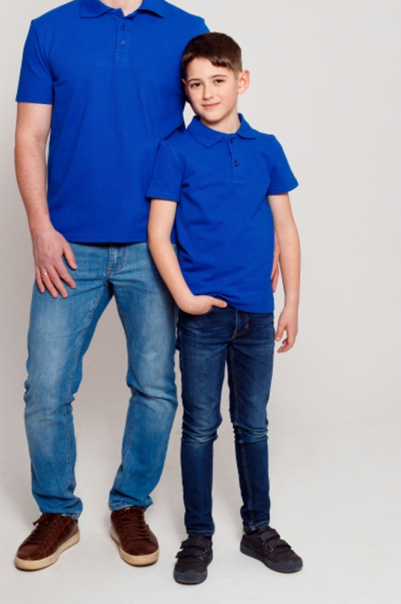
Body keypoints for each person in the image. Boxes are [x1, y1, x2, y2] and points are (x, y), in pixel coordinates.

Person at [13, 0, 209, 571]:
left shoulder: (187, 31)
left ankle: (130, 505)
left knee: (156, 386)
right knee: (46, 389)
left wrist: (243, 230)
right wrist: (41, 229)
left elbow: (211, 137)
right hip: (67, 246)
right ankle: (57, 512)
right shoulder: (49, 31)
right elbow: (30, 137)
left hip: (156, 248)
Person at [147, 32, 302, 584]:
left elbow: (286, 229)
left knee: (252, 425)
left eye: (218, 80)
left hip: (257, 314)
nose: (208, 93)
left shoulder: (267, 147)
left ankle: (258, 528)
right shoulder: (175, 150)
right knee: (199, 427)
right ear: (184, 90)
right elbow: (159, 234)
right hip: (203, 317)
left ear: (242, 80)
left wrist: (292, 303)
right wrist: (185, 298)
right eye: (196, 84)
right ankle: (198, 535)